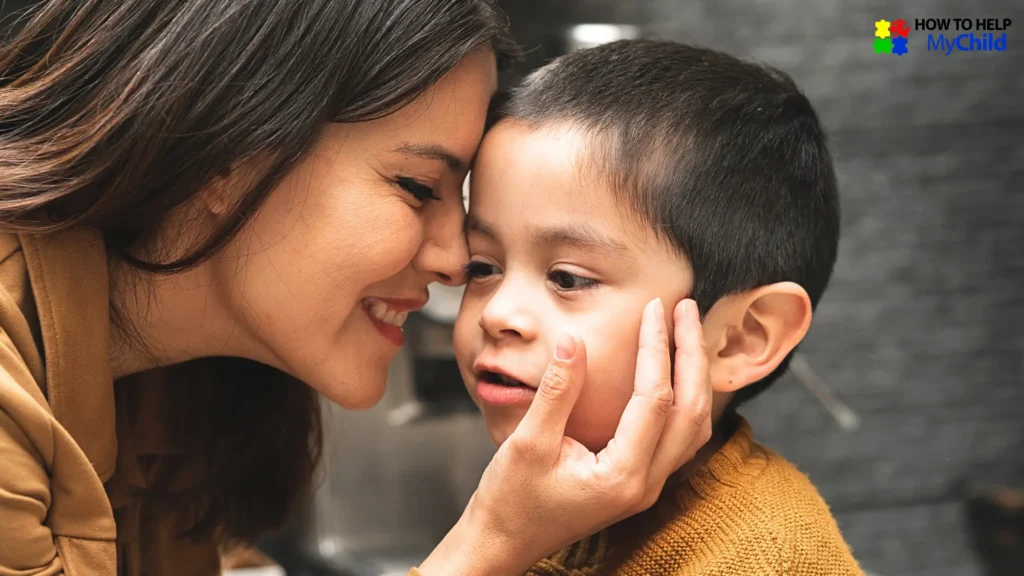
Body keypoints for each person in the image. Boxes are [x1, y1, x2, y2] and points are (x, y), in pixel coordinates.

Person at [0, 2, 715, 576]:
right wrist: (491, 545)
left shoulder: (175, 400)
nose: (455, 260)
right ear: (221, 152)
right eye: (416, 187)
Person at [454, 40, 864, 575]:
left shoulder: (764, 558)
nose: (496, 313)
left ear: (741, 338)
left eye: (568, 278)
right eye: (482, 267)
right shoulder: (539, 499)